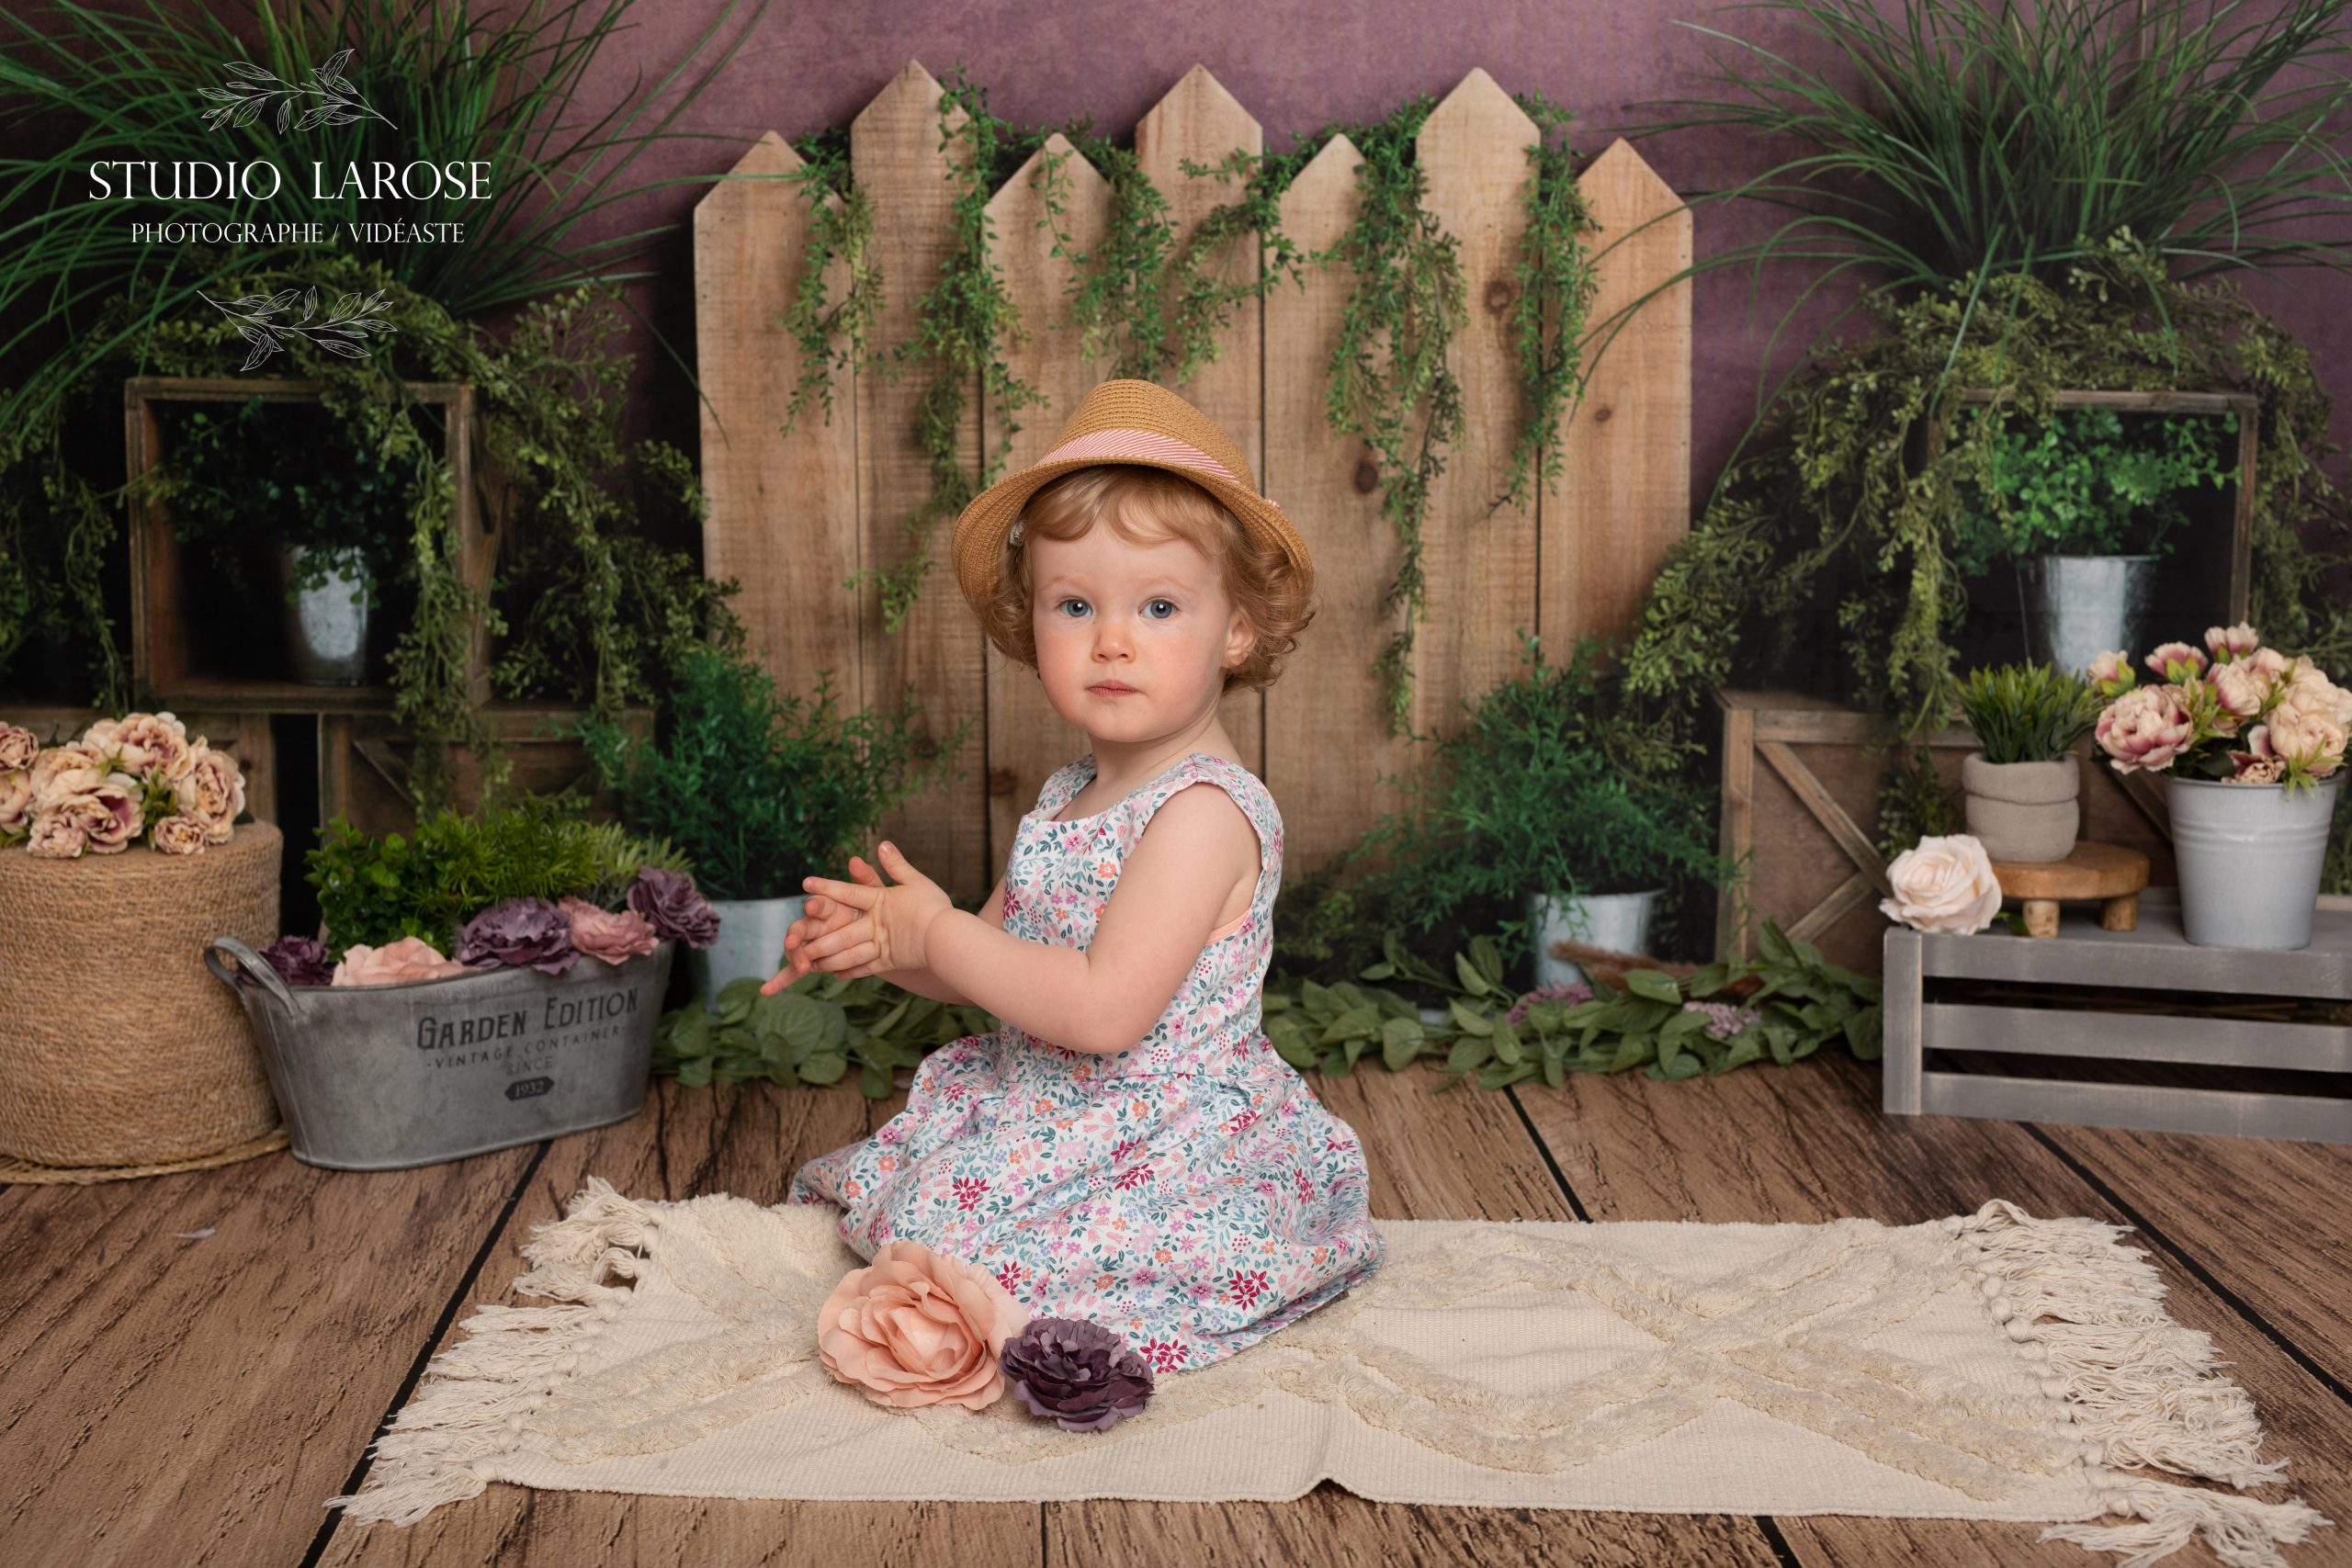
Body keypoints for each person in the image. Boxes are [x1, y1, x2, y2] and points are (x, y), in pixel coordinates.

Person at [772, 378, 1384, 1373]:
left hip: (1170, 1131)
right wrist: (891, 943)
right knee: (928, 1206)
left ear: (1235, 630)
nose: (1111, 638)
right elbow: (992, 955)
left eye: (1157, 606)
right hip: (1053, 1104)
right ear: (1029, 624)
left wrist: (938, 935)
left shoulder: (1202, 813)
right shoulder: (1065, 797)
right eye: (1073, 604)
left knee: (983, 1255)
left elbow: (1103, 1013)